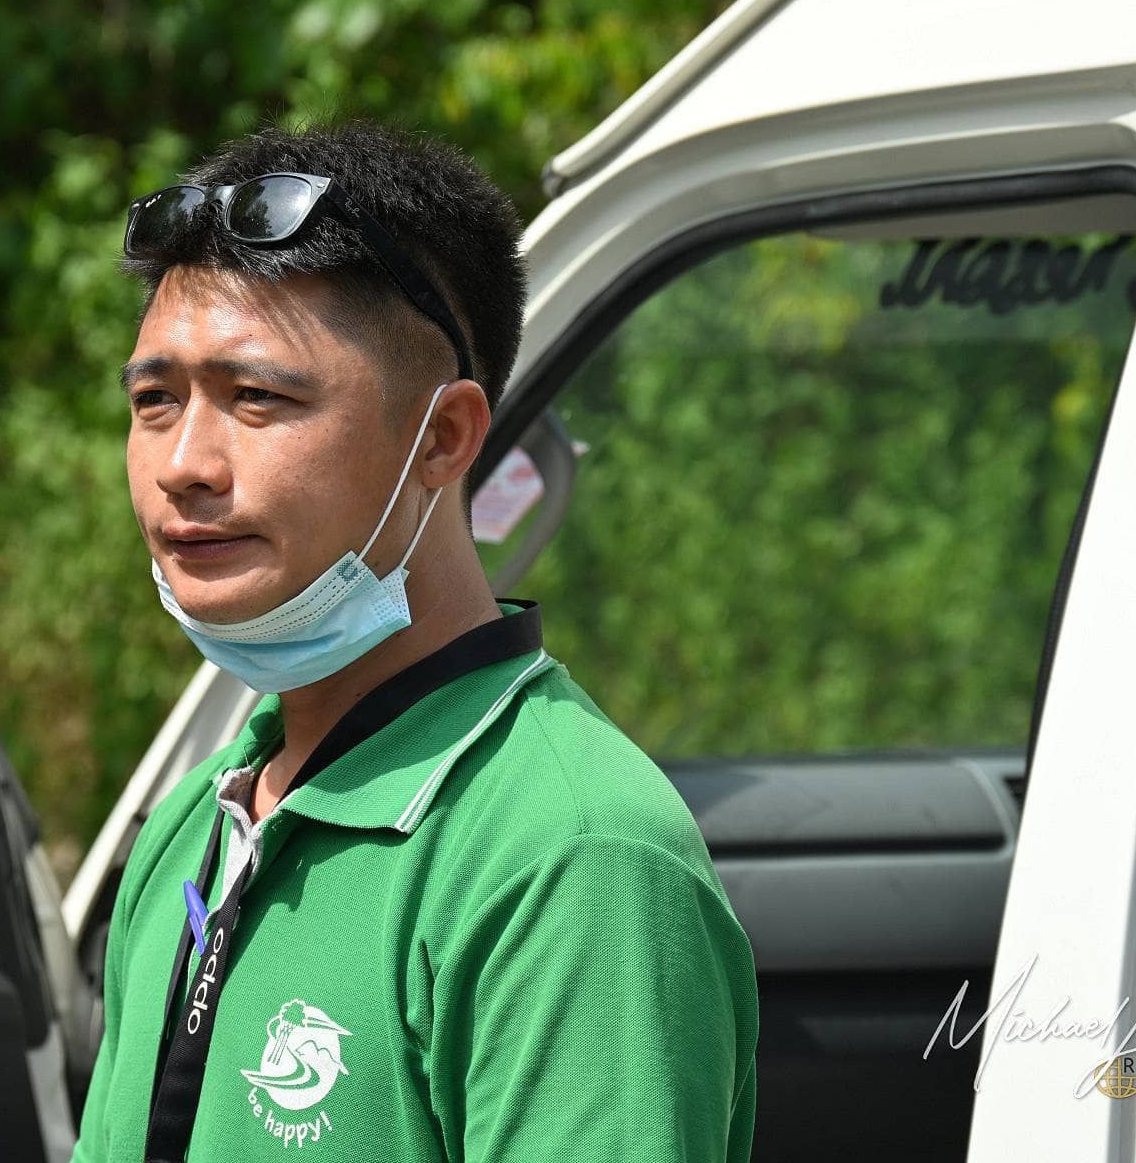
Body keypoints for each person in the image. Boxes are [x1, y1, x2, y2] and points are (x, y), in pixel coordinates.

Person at [72, 120, 758, 1162]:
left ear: (443, 436)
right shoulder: (192, 823)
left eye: (257, 397)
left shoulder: (571, 854)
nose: (184, 463)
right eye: (155, 399)